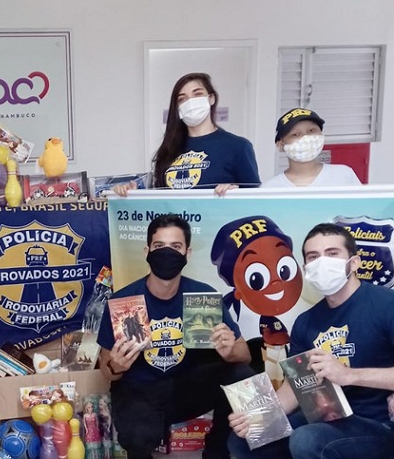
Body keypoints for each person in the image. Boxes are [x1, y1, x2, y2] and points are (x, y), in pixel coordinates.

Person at [228, 223, 394, 459]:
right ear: (306, 268)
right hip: (327, 419)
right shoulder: (306, 322)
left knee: (306, 439)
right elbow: (295, 387)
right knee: (246, 438)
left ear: (354, 262)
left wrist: (349, 375)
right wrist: (255, 417)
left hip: (379, 425)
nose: (322, 262)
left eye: (332, 253)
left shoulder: (386, 305)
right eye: (314, 257)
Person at [97, 214, 254, 459]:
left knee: (241, 375)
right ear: (147, 251)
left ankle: (216, 451)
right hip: (140, 390)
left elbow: (244, 354)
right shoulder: (124, 301)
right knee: (137, 437)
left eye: (176, 246)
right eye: (159, 246)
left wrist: (230, 350)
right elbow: (106, 369)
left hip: (185, 387)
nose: (167, 253)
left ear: (187, 253)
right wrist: (115, 366)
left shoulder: (202, 296)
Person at [114, 72, 260, 196]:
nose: (190, 102)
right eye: (182, 99)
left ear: (211, 98)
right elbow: (159, 199)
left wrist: (235, 192)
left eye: (197, 94)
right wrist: (133, 193)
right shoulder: (168, 149)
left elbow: (256, 200)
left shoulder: (238, 147)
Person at [262, 108, 361, 187]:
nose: (306, 138)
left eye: (311, 131)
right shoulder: (270, 188)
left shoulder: (344, 175)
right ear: (281, 145)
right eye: (296, 134)